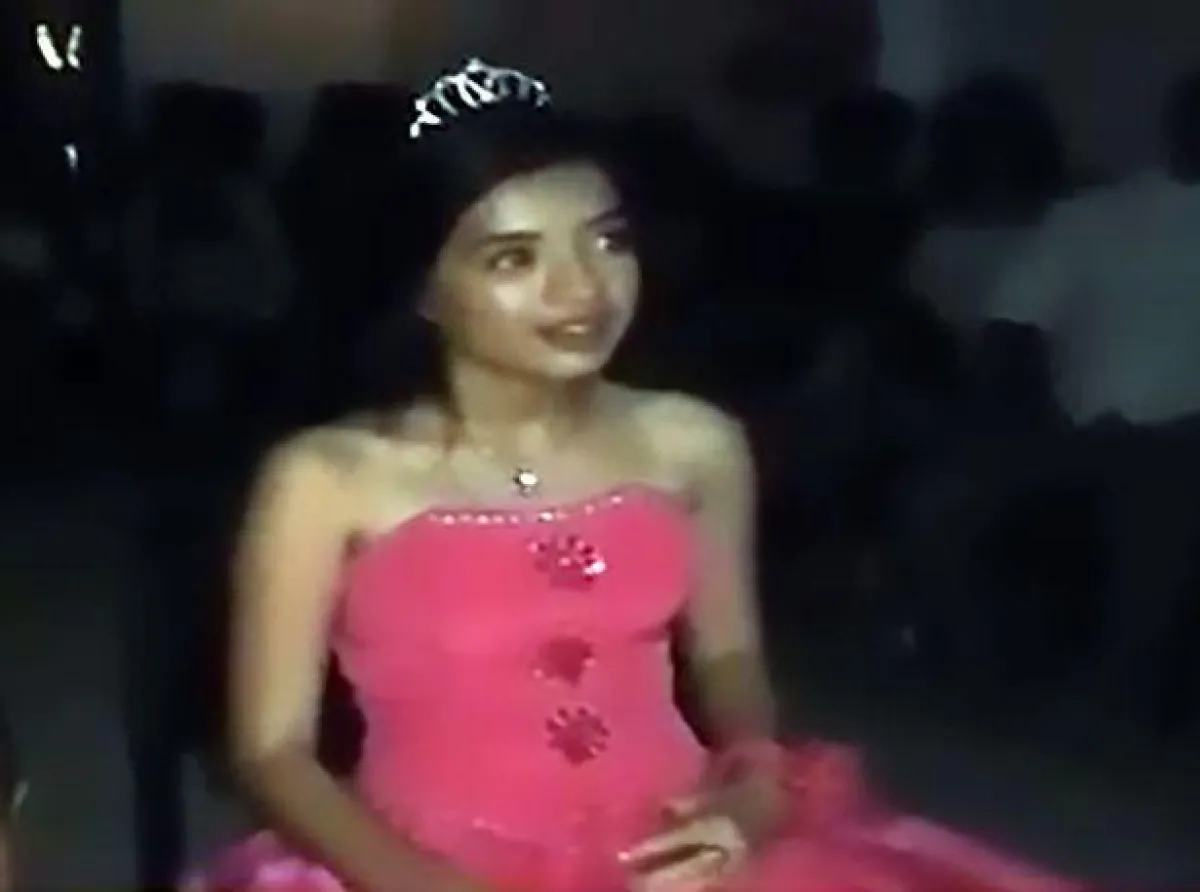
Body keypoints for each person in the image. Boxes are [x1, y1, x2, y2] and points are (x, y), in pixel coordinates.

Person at [186, 58, 1085, 892]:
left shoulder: (693, 442)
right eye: (515, 258)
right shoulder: (325, 478)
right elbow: (272, 752)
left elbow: (729, 655)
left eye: (606, 242)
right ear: (424, 288)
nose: (583, 288)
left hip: (676, 844)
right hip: (421, 862)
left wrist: (753, 786)